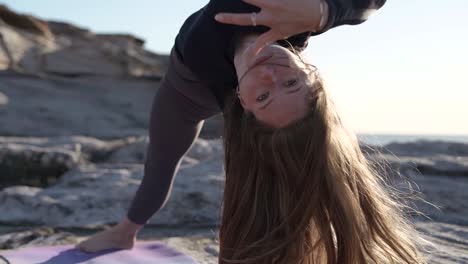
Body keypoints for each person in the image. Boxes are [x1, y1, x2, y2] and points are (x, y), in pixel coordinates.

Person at [77, 0, 431, 263]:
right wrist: (326, 11)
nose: (273, 76)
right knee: (160, 167)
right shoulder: (295, 16)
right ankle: (126, 235)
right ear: (310, 71)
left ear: (245, 103)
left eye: (265, 96)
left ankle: (124, 232)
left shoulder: (219, 73)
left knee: (164, 163)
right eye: (293, 83)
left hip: (184, 96)